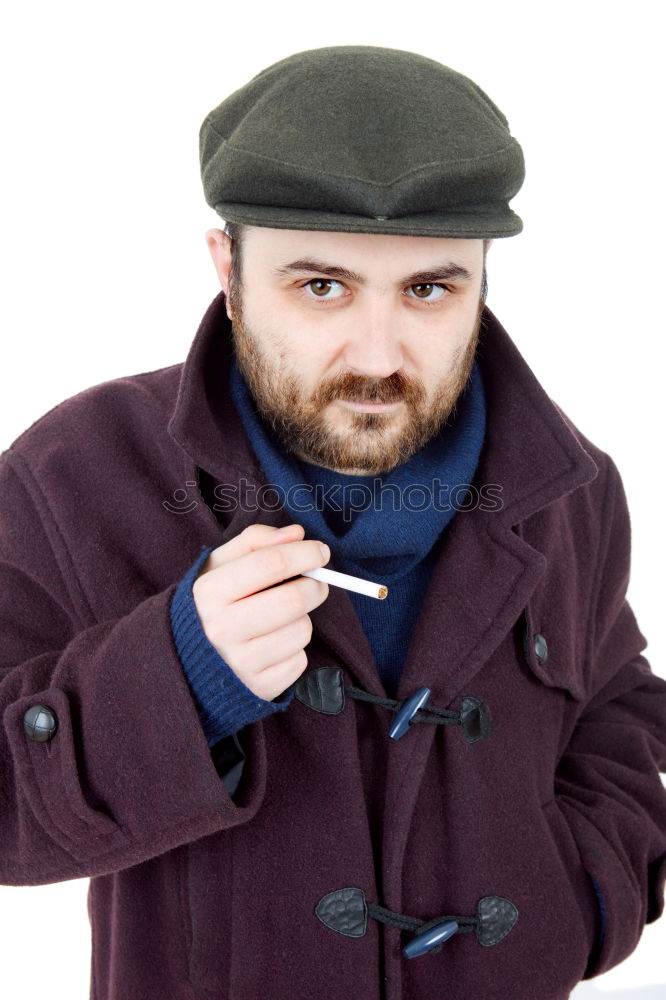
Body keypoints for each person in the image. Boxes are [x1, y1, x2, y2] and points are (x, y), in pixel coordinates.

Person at [1, 44, 664, 1000]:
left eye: (430, 289)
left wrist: (588, 900)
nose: (380, 354)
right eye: (322, 287)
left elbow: (619, 707)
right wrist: (179, 680)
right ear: (227, 267)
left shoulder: (572, 484)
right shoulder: (75, 474)